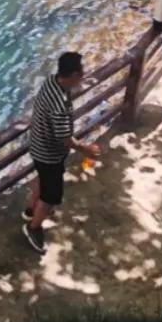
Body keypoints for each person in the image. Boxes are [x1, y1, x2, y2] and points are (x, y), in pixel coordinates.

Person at [22, 51, 102, 256]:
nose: (84, 74)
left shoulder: (51, 82)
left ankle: (30, 210)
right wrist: (86, 149)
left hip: (37, 144)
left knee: (43, 178)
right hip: (49, 153)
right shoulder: (59, 106)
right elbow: (64, 138)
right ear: (74, 74)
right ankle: (33, 227)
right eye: (82, 71)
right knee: (52, 197)